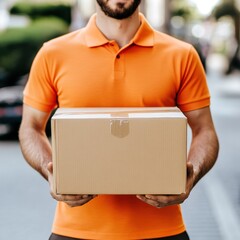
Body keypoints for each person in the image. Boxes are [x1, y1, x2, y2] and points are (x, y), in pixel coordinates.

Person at [19, 1, 219, 239]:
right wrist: (52, 172)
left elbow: (205, 131)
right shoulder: (52, 54)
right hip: (74, 232)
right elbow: (30, 128)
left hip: (163, 231)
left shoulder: (181, 55)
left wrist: (190, 176)